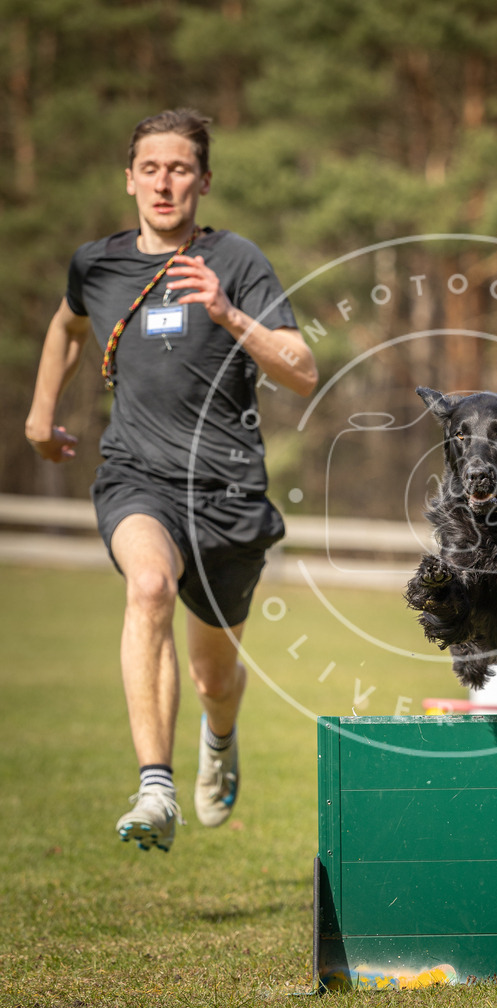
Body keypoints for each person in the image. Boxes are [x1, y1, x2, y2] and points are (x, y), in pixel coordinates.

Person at [24, 109, 318, 853]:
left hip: (227, 496)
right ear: (129, 180)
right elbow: (66, 326)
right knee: (148, 586)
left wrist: (224, 311)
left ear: (204, 182)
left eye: (180, 167)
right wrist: (40, 412)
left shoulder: (237, 260)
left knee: (215, 678)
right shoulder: (97, 264)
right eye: (150, 167)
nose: (164, 180)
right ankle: (155, 786)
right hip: (137, 478)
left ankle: (218, 739)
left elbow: (302, 370)